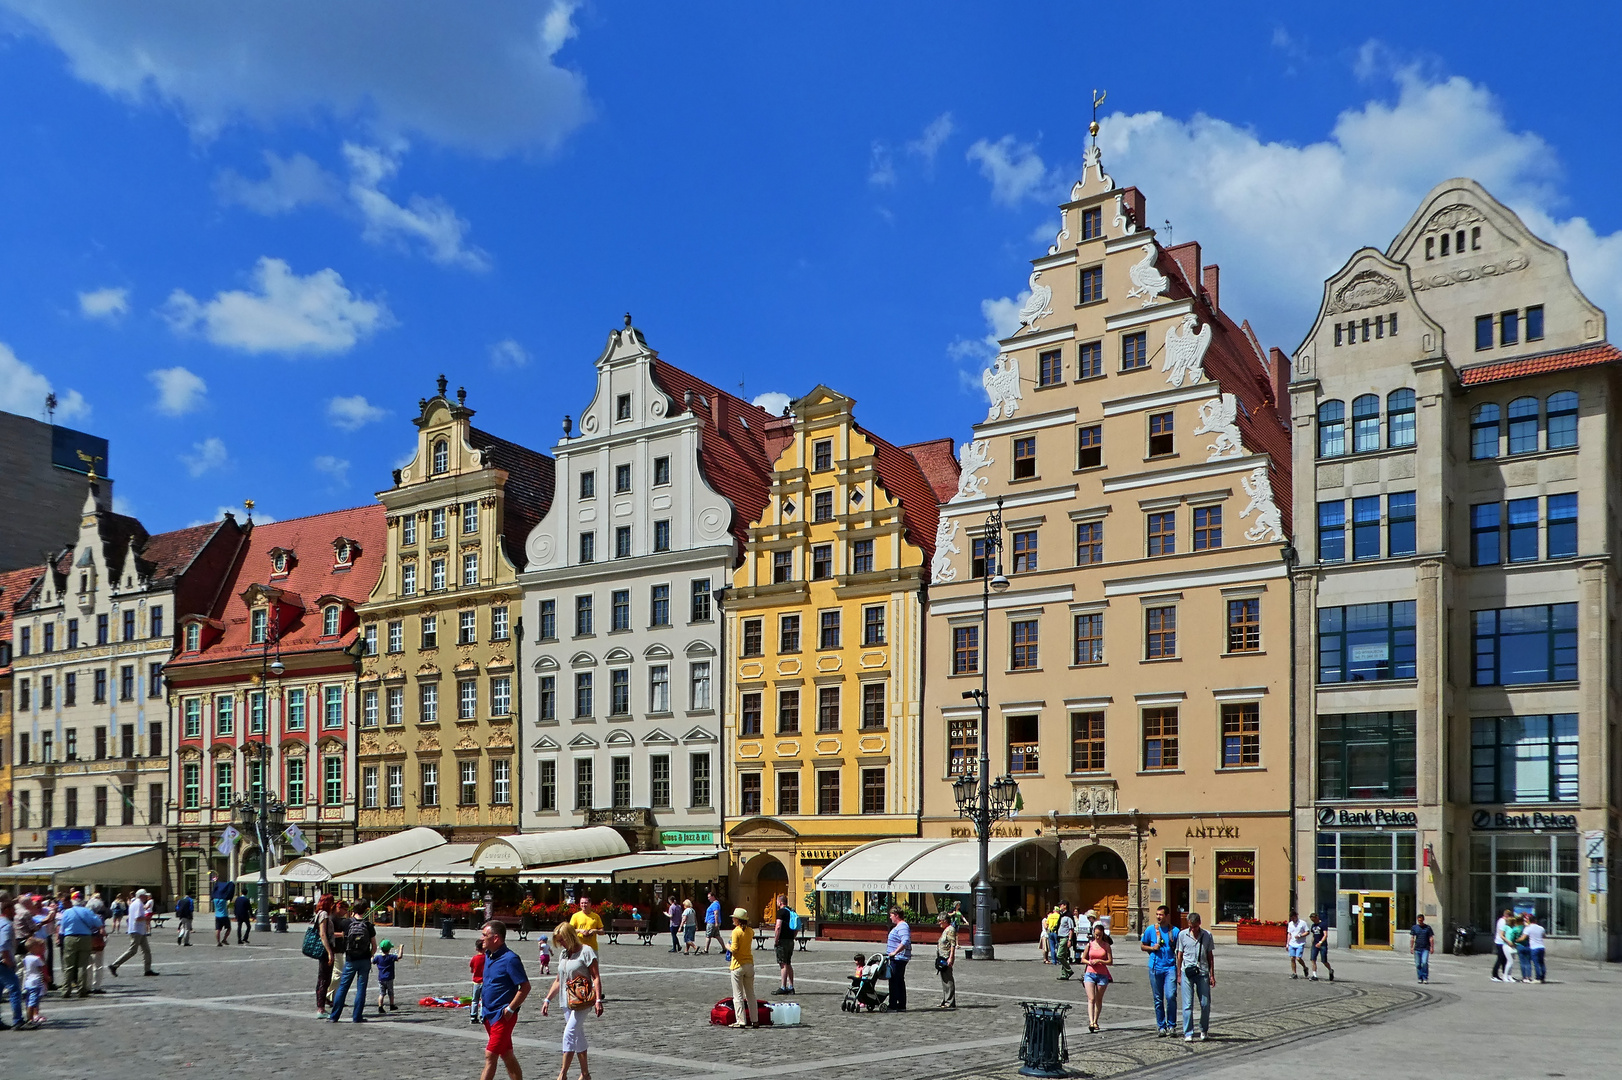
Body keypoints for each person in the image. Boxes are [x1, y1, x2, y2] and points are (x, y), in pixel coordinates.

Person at [541, 921, 600, 1077]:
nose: (560, 944)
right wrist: (547, 1000)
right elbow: (558, 980)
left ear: (570, 936)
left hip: (582, 1000)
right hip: (566, 1001)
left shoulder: (586, 951)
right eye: (558, 941)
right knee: (577, 1035)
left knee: (569, 1033)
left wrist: (598, 1000)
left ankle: (563, 1074)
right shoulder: (564, 954)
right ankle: (585, 1074)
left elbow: (596, 977)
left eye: (562, 940)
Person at [480, 920, 533, 1080]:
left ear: (495, 938)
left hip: (502, 1016)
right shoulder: (488, 956)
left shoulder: (510, 959)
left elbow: (525, 987)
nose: (481, 939)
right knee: (507, 1054)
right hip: (488, 1014)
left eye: (484, 935)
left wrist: (510, 1009)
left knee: (490, 1055)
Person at [328, 900, 375, 1023]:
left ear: (353, 909)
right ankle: (357, 1017)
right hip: (364, 960)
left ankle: (334, 1016)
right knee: (361, 989)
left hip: (350, 959)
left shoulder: (346, 923)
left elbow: (344, 937)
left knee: (343, 987)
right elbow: (374, 946)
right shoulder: (368, 925)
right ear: (365, 910)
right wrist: (369, 955)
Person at [1173, 912, 1216, 1042]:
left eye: (1195, 927)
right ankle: (1188, 1032)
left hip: (1202, 972)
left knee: (1205, 1003)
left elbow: (1210, 957)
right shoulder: (1182, 935)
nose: (1192, 929)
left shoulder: (1207, 935)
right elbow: (1179, 955)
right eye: (1190, 926)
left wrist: (1212, 975)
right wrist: (1179, 974)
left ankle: (1204, 1029)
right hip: (1187, 972)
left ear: (1199, 924)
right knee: (1187, 1005)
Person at [1139, 904, 1180, 1037]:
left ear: (1167, 916)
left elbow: (1179, 951)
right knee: (1158, 998)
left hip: (1170, 968)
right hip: (1155, 967)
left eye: (1161, 915)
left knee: (1170, 996)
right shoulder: (1151, 929)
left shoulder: (1174, 931)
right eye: (1157, 914)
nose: (1158, 917)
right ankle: (1161, 1026)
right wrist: (1152, 948)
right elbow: (1143, 946)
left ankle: (1172, 1025)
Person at [58, 894, 103, 998]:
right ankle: (82, 990)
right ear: (83, 902)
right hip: (85, 938)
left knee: (69, 966)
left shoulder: (66, 912)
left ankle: (66, 990)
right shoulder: (87, 911)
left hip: (70, 938)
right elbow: (98, 922)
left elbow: (62, 928)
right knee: (83, 966)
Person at [109, 888, 157, 977]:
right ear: (141, 896)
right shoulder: (138, 904)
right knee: (132, 951)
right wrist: (146, 918)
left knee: (146, 951)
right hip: (136, 930)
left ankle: (148, 970)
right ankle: (114, 965)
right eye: (145, 896)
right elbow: (138, 918)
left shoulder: (134, 903)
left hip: (139, 930)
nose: (146, 897)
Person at [568, 896, 604, 1001]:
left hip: (592, 948)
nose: (584, 905)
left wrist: (594, 931)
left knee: (594, 972)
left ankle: (595, 993)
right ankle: (578, 990)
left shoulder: (595, 916)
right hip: (578, 948)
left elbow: (602, 931)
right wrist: (580, 931)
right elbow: (570, 930)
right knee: (578, 970)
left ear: (590, 904)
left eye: (586, 903)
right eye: (582, 903)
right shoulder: (575, 916)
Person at [725, 907, 756, 1029]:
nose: (733, 919)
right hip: (749, 964)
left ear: (738, 919)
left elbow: (734, 949)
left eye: (734, 918)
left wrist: (727, 945)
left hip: (738, 965)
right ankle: (755, 1020)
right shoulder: (750, 931)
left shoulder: (736, 931)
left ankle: (741, 1020)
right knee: (751, 994)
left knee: (737, 995)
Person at [1082, 922, 1114, 1033]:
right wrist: (1089, 962)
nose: (1098, 937)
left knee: (1098, 999)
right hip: (1090, 973)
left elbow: (1110, 961)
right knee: (1091, 998)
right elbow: (1083, 959)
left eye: (1099, 935)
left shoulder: (1106, 946)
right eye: (1096, 935)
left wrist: (1100, 960)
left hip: (1102, 975)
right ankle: (1091, 1022)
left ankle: (1096, 1020)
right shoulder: (1089, 945)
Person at [0, 894, 23, 1031]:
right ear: (7, 910)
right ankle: (18, 1020)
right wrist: (7, 958)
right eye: (13, 909)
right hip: (3, 962)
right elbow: (2, 944)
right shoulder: (7, 925)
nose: (15, 912)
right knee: (14, 989)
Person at [314, 895, 338, 1016]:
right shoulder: (323, 914)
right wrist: (329, 952)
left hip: (326, 949)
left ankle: (321, 1005)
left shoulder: (320, 913)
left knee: (323, 978)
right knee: (324, 979)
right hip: (325, 950)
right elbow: (323, 934)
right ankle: (321, 1008)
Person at [884, 905, 912, 1012]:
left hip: (898, 958)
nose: (890, 918)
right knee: (898, 980)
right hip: (897, 958)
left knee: (895, 980)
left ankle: (894, 1004)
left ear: (896, 915)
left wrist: (895, 952)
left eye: (891, 915)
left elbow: (905, 941)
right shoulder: (899, 926)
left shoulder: (902, 926)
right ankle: (900, 1004)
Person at [774, 897, 797, 995]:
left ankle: (783, 987)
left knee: (782, 964)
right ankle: (791, 986)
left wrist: (776, 940)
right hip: (790, 940)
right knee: (788, 963)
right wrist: (793, 937)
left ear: (780, 902)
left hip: (782, 940)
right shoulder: (792, 911)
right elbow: (797, 927)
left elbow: (778, 927)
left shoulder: (781, 912)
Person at [935, 912, 957, 1010]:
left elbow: (953, 944)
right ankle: (945, 1000)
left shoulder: (950, 930)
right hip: (942, 957)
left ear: (945, 921)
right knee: (944, 979)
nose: (939, 923)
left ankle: (950, 1001)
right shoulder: (945, 930)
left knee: (948, 979)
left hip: (946, 957)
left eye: (940, 921)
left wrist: (951, 957)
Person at [21, 938, 46, 1028]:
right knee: (33, 1002)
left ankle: (30, 1018)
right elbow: (42, 970)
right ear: (33, 947)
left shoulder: (26, 958)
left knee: (28, 1001)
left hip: (28, 982)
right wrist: (47, 978)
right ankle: (30, 1019)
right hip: (36, 982)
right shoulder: (36, 959)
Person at [1408, 913, 1435, 984]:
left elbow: (1431, 938)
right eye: (1419, 920)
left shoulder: (1428, 928)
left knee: (1424, 962)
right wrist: (1411, 947)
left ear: (1423, 920)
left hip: (1425, 948)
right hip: (1417, 948)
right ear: (1417, 920)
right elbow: (1412, 938)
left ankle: (1425, 977)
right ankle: (1420, 978)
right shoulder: (1414, 928)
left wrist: (1432, 947)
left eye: (1421, 920)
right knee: (1418, 964)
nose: (1420, 921)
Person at [373, 939, 398, 1014]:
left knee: (382, 993)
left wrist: (371, 954)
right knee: (391, 993)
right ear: (389, 949)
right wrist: (401, 948)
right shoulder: (391, 957)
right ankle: (391, 1005)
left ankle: (380, 1007)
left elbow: (372, 961)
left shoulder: (378, 958)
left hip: (381, 979)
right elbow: (399, 956)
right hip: (389, 978)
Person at [1307, 911, 1333, 982]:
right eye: (1312, 920)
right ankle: (1314, 975)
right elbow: (1313, 935)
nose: (1313, 921)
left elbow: (1325, 935)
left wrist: (1320, 942)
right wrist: (1312, 942)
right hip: (1315, 944)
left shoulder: (1323, 924)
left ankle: (1330, 970)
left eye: (1314, 920)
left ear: (1317, 918)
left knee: (1324, 960)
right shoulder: (1313, 926)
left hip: (1322, 945)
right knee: (1313, 959)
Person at [1285, 910, 1311, 979]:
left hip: (1300, 943)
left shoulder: (1302, 923)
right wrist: (1287, 943)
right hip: (1292, 943)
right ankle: (1294, 973)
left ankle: (1305, 967)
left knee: (1298, 958)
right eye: (1291, 918)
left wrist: (1300, 936)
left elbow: (1307, 932)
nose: (1293, 920)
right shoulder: (1290, 924)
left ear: (1296, 916)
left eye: (1294, 918)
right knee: (1292, 958)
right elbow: (1289, 934)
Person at [1055, 903, 1076, 981]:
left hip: (1065, 938)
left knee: (1059, 955)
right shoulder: (1062, 915)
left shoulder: (1068, 916)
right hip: (1060, 938)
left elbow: (1071, 929)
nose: (1059, 906)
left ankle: (1069, 970)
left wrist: (1070, 940)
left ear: (1065, 906)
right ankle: (1064, 974)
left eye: (1061, 905)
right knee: (1064, 956)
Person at [1524, 912, 1547, 983]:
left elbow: (1524, 937)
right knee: (1542, 963)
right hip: (1541, 947)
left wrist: (1516, 940)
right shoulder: (1541, 928)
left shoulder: (1528, 928)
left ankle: (1538, 978)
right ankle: (1542, 977)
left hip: (1534, 948)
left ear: (1529, 921)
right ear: (1535, 921)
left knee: (1536, 963)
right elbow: (1544, 936)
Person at [1490, 908, 1512, 981]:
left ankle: (1504, 974)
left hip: (1501, 942)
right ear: (1506, 915)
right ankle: (1494, 975)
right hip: (1500, 942)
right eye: (1509, 916)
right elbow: (1502, 933)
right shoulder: (1502, 922)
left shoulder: (1501, 920)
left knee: (1504, 959)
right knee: (1500, 959)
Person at [1502, 914, 1524, 983]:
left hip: (1513, 946)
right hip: (1506, 945)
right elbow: (1502, 935)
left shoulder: (1514, 928)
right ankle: (1504, 976)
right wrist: (1508, 941)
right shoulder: (1505, 927)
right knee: (1510, 961)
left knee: (1512, 962)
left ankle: (1509, 976)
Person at [704, 891, 727, 958]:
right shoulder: (714, 904)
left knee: (708, 936)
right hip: (712, 921)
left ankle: (706, 949)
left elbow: (716, 913)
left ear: (713, 896)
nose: (708, 899)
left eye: (709, 897)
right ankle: (724, 948)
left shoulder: (715, 904)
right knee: (717, 935)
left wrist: (716, 922)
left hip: (712, 922)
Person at [470, 938, 488, 1023]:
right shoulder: (487, 958)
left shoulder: (474, 958)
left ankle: (473, 1016)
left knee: (475, 1000)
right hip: (484, 982)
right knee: (483, 1000)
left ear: (476, 948)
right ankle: (482, 1016)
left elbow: (472, 969)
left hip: (476, 982)